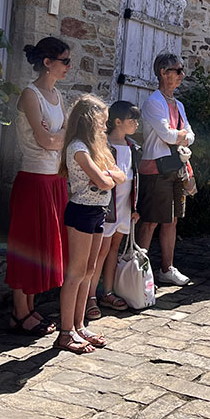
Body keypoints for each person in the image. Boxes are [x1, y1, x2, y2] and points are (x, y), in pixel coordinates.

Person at [5, 37, 71, 335]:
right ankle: (19, 311)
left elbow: (62, 137)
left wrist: (58, 137)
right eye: (64, 61)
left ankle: (30, 308)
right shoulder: (31, 95)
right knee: (27, 244)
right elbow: (46, 141)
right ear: (47, 62)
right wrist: (58, 136)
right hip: (33, 180)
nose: (68, 66)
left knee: (43, 247)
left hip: (54, 179)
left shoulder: (57, 95)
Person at [55, 95, 122, 353]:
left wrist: (107, 176)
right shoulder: (78, 147)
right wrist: (108, 177)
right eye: (102, 121)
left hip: (98, 211)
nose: (105, 126)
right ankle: (65, 332)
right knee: (76, 272)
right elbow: (106, 181)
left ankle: (79, 324)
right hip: (81, 211)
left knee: (90, 270)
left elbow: (120, 175)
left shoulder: (98, 146)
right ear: (89, 120)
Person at [136, 53, 195, 287]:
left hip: (175, 167)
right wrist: (181, 136)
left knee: (172, 220)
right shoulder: (154, 102)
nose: (182, 74)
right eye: (177, 70)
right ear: (163, 72)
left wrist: (179, 136)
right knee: (150, 221)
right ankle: (138, 272)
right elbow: (168, 135)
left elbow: (190, 135)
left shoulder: (179, 105)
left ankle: (167, 269)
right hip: (155, 168)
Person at [87, 101, 142, 318]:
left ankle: (107, 292)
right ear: (117, 121)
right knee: (100, 251)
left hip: (125, 207)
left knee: (114, 249)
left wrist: (135, 207)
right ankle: (90, 296)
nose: (136, 124)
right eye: (132, 120)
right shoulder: (104, 146)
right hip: (108, 207)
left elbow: (135, 178)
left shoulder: (133, 147)